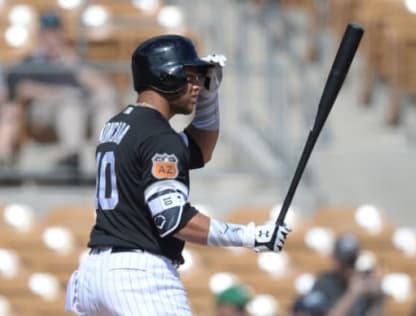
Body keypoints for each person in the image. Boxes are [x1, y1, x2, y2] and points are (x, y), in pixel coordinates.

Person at [64, 34, 291, 316]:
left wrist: (209, 95)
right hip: (137, 277)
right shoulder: (159, 136)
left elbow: (200, 150)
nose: (196, 85)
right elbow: (172, 219)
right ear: (166, 75)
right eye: (190, 76)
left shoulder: (121, 124)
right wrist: (251, 236)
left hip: (94, 274)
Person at [6, 11, 117, 170]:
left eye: (56, 32)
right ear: (40, 36)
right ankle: (72, 155)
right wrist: (56, 92)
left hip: (81, 107)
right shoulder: (32, 60)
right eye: (48, 33)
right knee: (69, 100)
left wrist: (73, 65)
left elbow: (103, 86)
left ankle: (105, 152)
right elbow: (21, 88)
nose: (53, 38)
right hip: (46, 109)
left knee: (105, 96)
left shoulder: (72, 59)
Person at [310, 234, 384, 316]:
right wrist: (352, 294)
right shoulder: (324, 283)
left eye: (352, 261)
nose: (349, 267)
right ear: (335, 260)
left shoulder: (365, 280)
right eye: (345, 262)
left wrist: (378, 299)